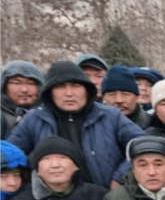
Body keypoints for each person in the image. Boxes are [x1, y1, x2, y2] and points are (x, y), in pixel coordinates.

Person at [9, 61, 145, 188]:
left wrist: (119, 177)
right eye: (60, 86)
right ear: (50, 92)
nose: (69, 93)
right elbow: (9, 156)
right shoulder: (34, 118)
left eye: (76, 86)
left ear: (87, 89)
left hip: (104, 199)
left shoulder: (110, 116)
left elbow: (144, 145)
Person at [0, 60, 44, 138]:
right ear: (4, 86)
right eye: (17, 83)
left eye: (31, 83)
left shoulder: (48, 116)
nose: (24, 89)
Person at [101, 64, 150, 129]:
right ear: (104, 99)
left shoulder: (153, 124)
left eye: (125, 94)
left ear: (137, 97)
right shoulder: (93, 127)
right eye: (112, 94)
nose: (119, 100)